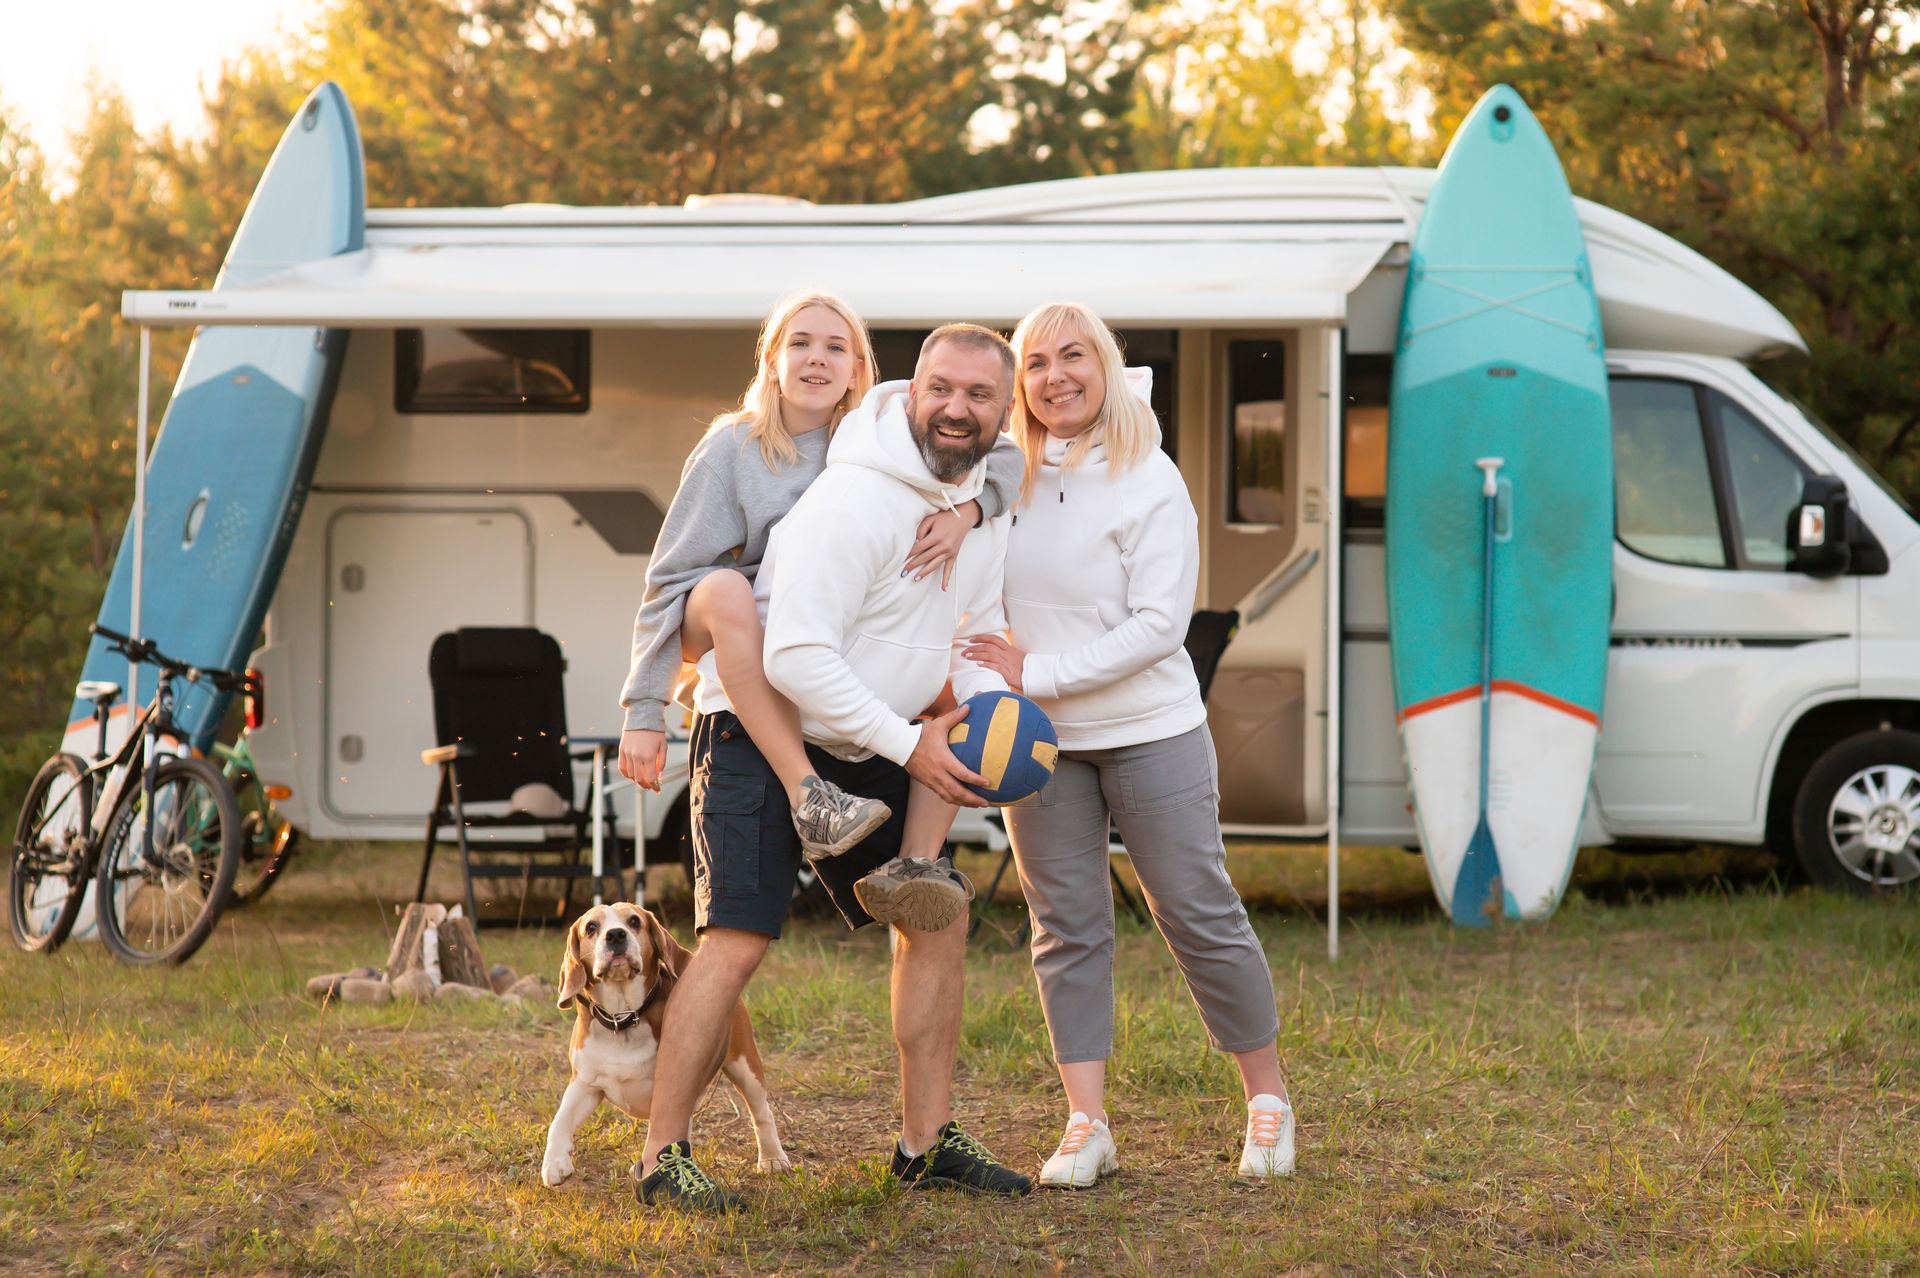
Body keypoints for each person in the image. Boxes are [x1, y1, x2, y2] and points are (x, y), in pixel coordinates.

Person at [634, 322, 1033, 1211]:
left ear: (1006, 412)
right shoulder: (849, 501)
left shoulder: (982, 509)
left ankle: (924, 1147)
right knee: (737, 940)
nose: (957, 409)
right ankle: (663, 1158)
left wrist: (974, 708)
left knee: (937, 920)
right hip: (762, 726)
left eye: (980, 396)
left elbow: (967, 635)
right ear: (911, 390)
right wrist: (912, 742)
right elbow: (798, 660)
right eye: (943, 390)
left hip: (880, 732)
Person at [963, 302, 1296, 1189]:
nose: (1055, 377)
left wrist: (1037, 673)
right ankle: (1086, 1121)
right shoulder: (1002, 476)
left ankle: (1267, 1101)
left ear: (1106, 367)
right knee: (1064, 927)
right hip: (1038, 745)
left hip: (1151, 730)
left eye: (1073, 357)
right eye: (1034, 363)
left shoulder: (1149, 474)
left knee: (1194, 909)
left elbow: (1160, 627)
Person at [616, 293, 1018, 866]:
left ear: (858, 369)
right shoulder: (732, 447)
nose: (816, 359)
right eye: (799, 344)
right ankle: (809, 794)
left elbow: (1002, 453)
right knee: (728, 590)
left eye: (836, 348)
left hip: (793, 627)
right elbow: (668, 578)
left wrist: (968, 513)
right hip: (718, 619)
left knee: (941, 684)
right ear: (772, 361)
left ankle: (918, 863)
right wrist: (644, 712)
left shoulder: (871, 440)